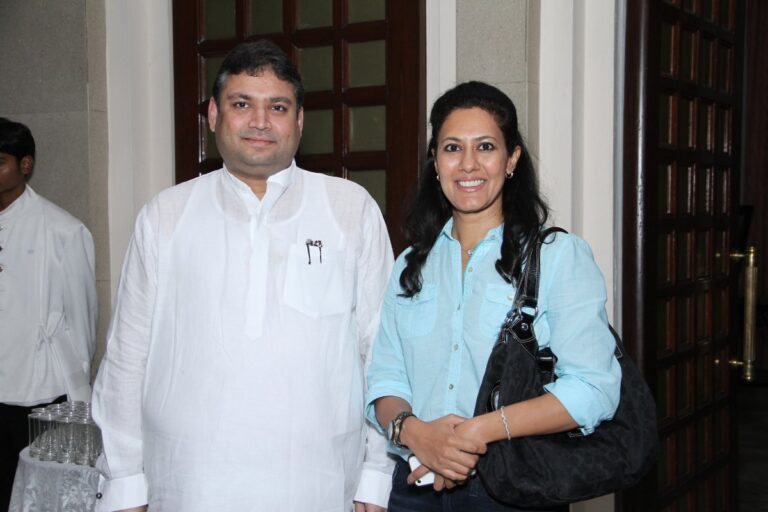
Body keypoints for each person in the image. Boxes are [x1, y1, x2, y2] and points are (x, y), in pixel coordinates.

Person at [92, 40, 394, 512]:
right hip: (189, 482)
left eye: (277, 107)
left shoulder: (349, 209)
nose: (259, 122)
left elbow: (381, 351)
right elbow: (128, 356)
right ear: (213, 115)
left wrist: (376, 474)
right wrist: (126, 480)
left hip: (318, 480)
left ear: (298, 121)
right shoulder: (166, 215)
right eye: (241, 104)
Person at [365, 81, 622, 511]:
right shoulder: (411, 264)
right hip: (414, 484)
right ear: (434, 161)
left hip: (514, 487)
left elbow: (595, 389)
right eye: (451, 148)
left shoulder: (557, 257)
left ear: (512, 160)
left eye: (485, 146)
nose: (468, 165)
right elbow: (385, 380)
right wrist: (417, 435)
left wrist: (476, 431)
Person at [0, 118, 97, 509]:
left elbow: (83, 320)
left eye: (0, 160)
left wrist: (78, 394)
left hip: (35, 391)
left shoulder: (62, 230)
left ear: (26, 165)